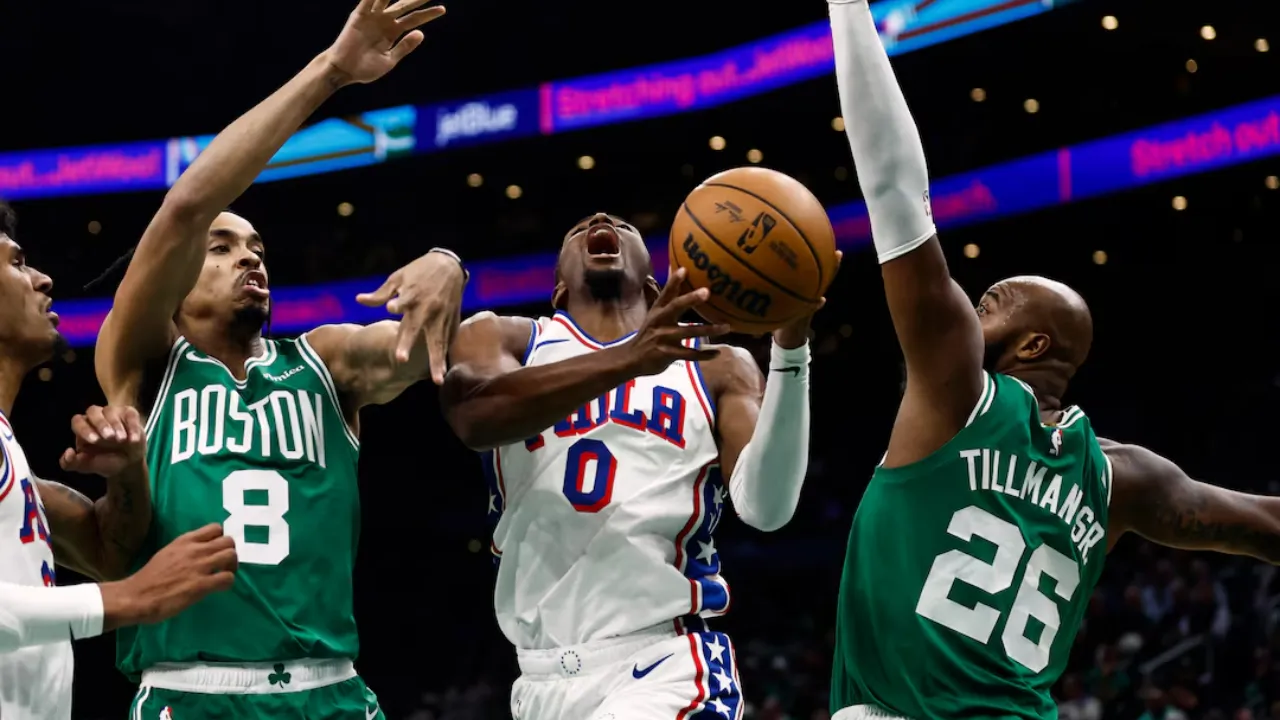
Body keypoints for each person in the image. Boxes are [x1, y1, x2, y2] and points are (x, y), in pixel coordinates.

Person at [828, 1, 1280, 718]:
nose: (975, 304)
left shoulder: (958, 396)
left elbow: (894, 192)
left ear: (1035, 344)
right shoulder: (1120, 477)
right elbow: (1263, 523)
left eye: (994, 301)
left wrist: (847, 9)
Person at [92, 2, 467, 718]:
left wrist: (447, 265)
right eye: (225, 248)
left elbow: (422, 349)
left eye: (258, 249)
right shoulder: (145, 361)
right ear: (174, 288)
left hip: (333, 691)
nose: (250, 259)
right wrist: (332, 71)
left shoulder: (323, 362)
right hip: (191, 691)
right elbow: (186, 208)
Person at [441, 213, 836, 719]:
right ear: (559, 286)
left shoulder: (717, 363)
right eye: (575, 226)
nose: (600, 220)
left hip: (665, 664)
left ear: (652, 283)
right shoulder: (506, 339)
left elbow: (767, 508)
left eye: (624, 226)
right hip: (538, 681)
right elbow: (475, 416)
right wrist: (630, 358)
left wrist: (791, 350)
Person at [0, 200, 239, 720]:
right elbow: (120, 578)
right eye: (16, 263)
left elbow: (111, 550)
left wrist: (130, 469)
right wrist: (126, 599)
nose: (42, 279)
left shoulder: (14, 460)